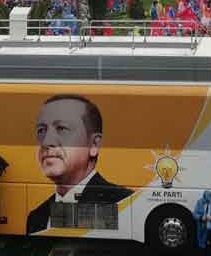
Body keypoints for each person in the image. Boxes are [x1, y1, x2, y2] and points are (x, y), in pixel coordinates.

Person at [26, 95, 132, 234]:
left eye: (62, 128)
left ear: (94, 144)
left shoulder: (123, 204)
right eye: (41, 130)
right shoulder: (36, 217)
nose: (46, 141)